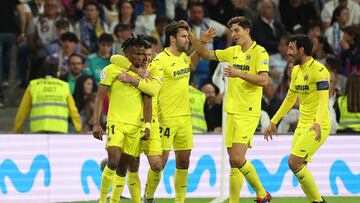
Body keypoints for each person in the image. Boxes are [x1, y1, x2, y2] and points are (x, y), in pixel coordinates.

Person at [188, 16, 271, 203]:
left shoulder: (260, 52)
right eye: (231, 31)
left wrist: (238, 73)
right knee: (234, 162)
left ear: (247, 30)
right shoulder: (232, 51)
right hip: (231, 112)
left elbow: (264, 80)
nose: (233, 35)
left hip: (247, 112)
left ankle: (262, 193)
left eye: (237, 30)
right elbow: (207, 54)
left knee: (237, 157)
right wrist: (193, 37)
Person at [264, 34, 330, 203]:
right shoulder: (295, 70)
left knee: (293, 162)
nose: (288, 52)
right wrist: (273, 122)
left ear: (302, 50)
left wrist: (317, 123)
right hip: (303, 123)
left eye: (291, 48)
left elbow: (324, 101)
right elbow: (289, 99)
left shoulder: (320, 71)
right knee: (300, 168)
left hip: (318, 124)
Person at [93, 35, 151, 203]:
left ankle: (115, 200)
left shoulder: (146, 74)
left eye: (142, 54)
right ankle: (102, 199)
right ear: (126, 53)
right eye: (136, 53)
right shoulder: (112, 69)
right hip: (116, 123)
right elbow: (99, 97)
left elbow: (148, 102)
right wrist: (96, 123)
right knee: (113, 161)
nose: (140, 57)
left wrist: (147, 125)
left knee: (123, 168)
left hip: (135, 126)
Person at [110, 42, 163, 203]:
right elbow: (114, 58)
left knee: (157, 165)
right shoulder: (132, 66)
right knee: (132, 167)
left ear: (153, 54)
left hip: (151, 124)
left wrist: (134, 80)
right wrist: (136, 70)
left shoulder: (156, 69)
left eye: (148, 55)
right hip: (132, 122)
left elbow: (153, 90)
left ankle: (148, 196)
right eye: (143, 54)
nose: (145, 58)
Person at [13, 62, 81, 133]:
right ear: (56, 72)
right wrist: (78, 128)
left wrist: (17, 128)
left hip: (38, 128)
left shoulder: (33, 86)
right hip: (59, 128)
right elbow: (73, 110)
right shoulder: (64, 86)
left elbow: (23, 109)